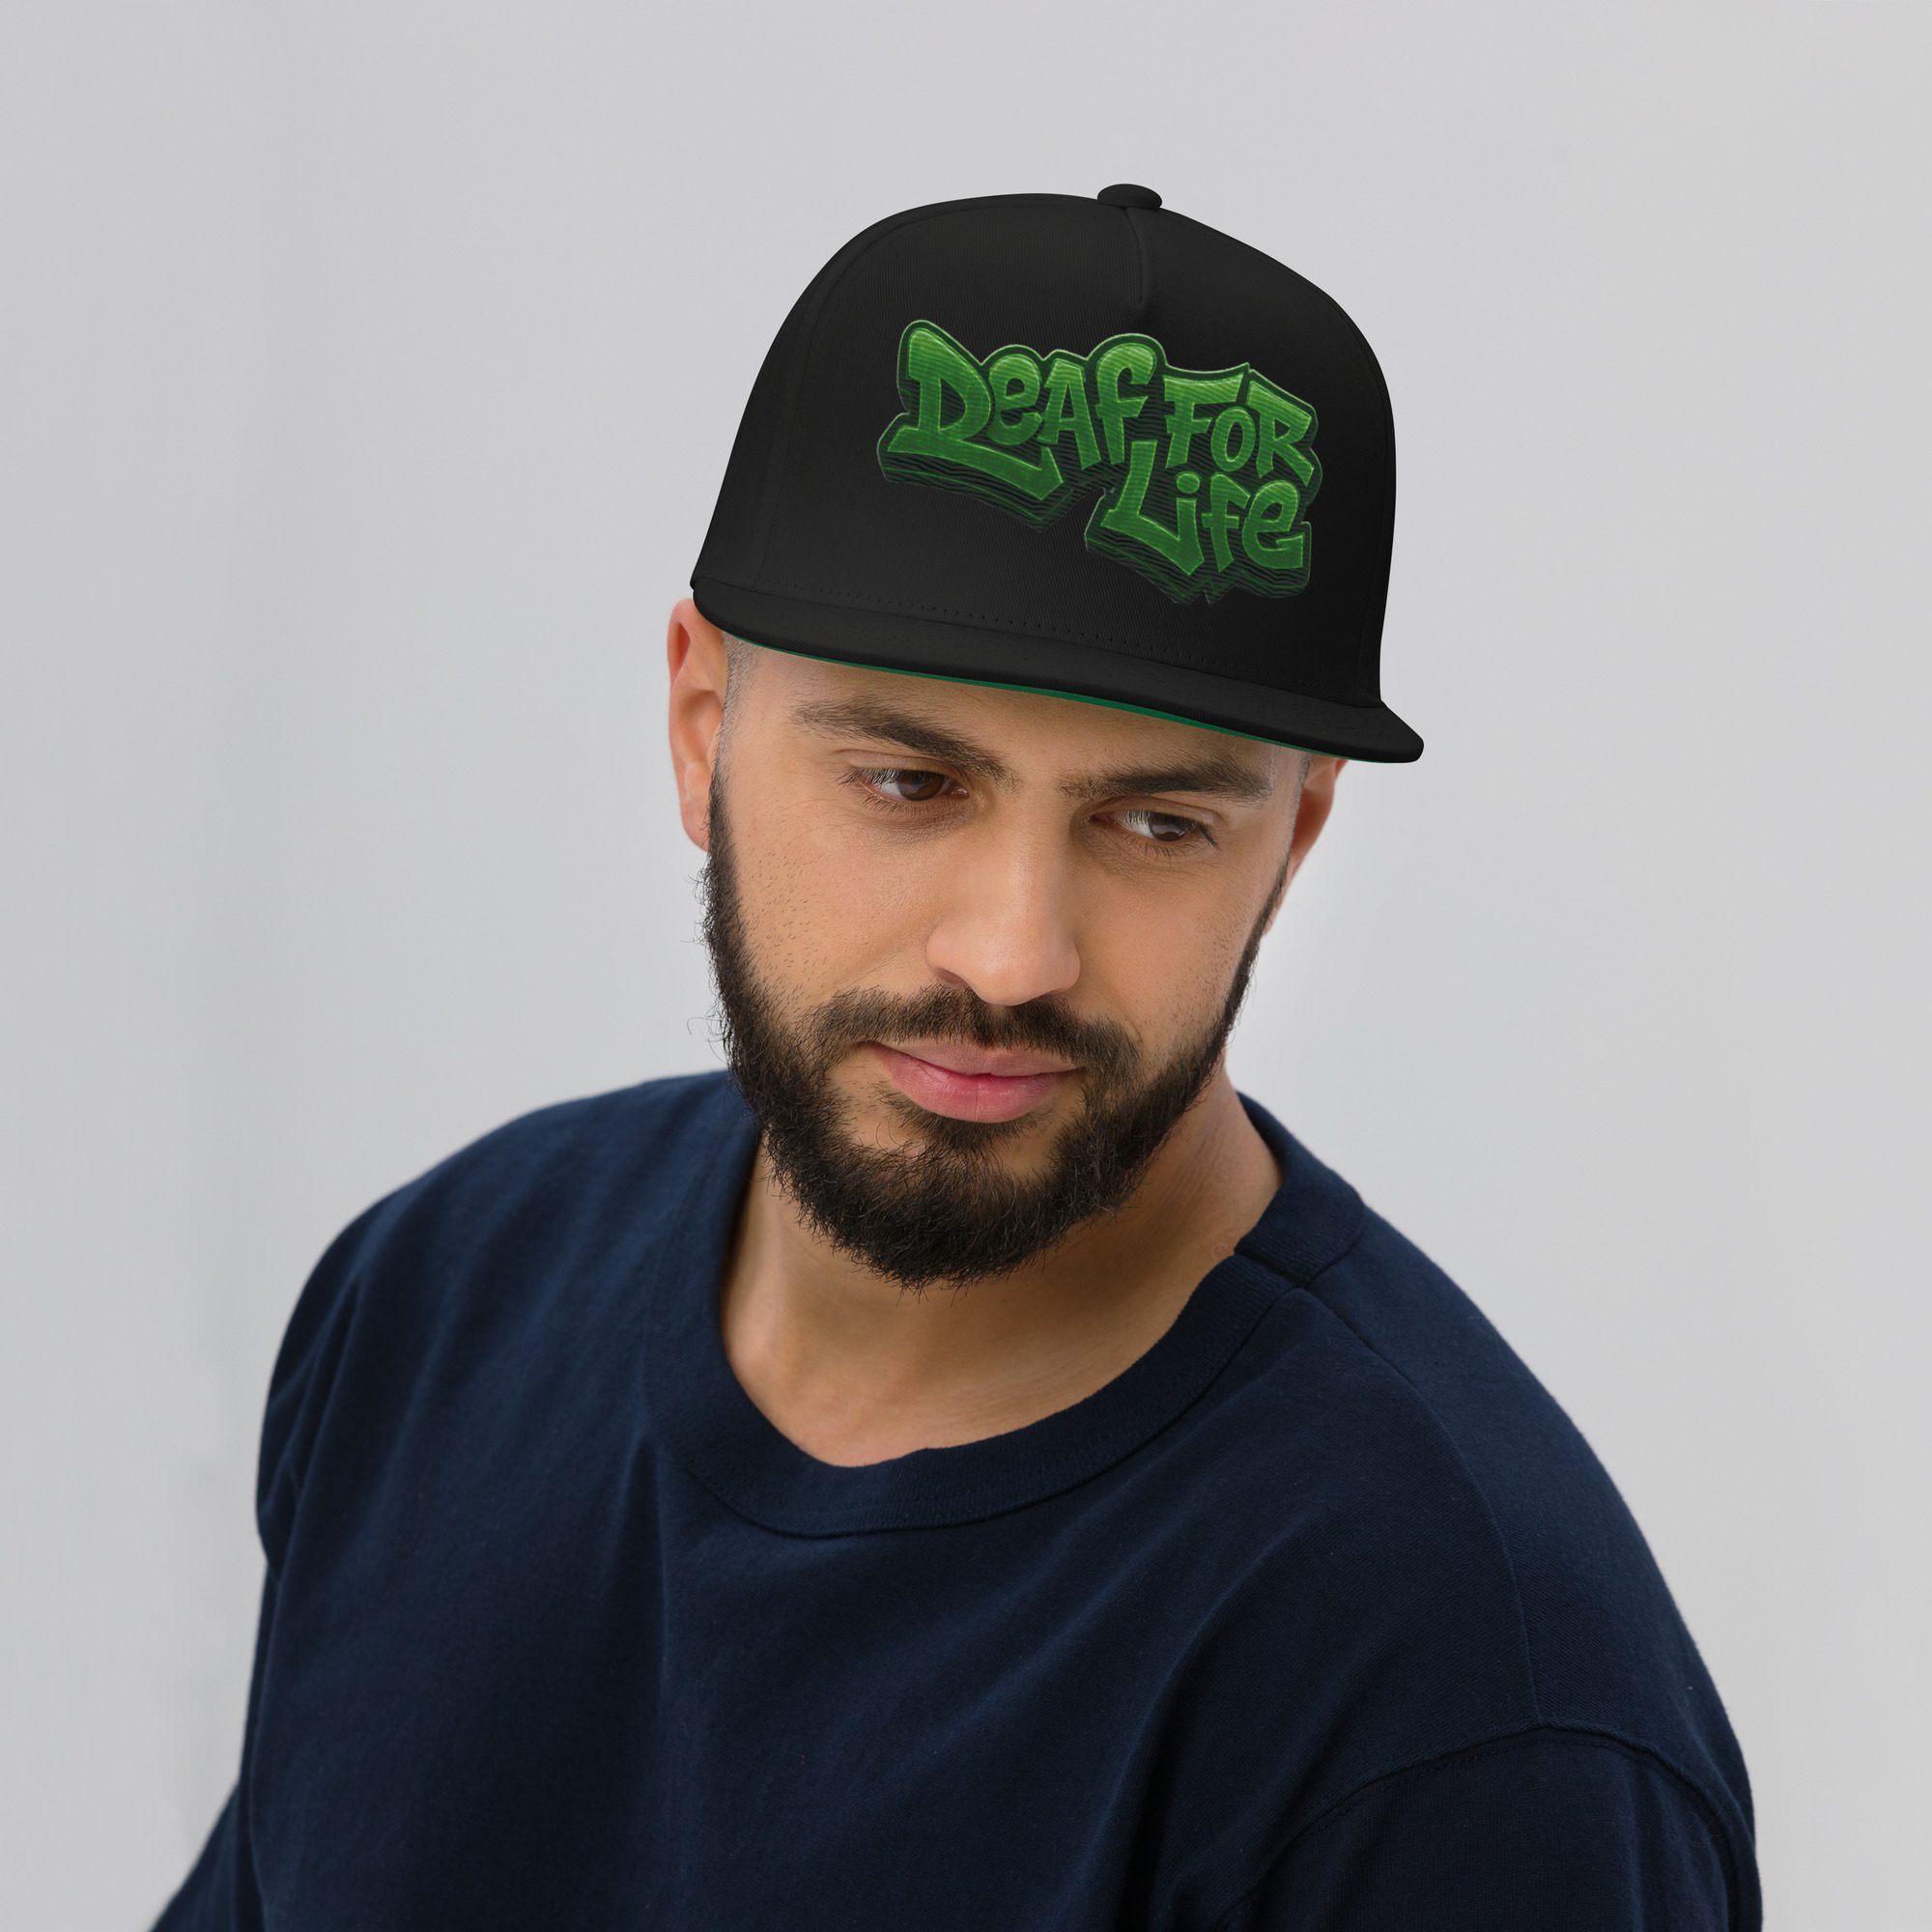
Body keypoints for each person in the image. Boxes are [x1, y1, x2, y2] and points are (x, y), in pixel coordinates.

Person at [151, 186, 1760, 1930]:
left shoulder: (1465, 1715)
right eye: (910, 784)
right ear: (702, 728)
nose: (1012, 954)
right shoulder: (437, 1307)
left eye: (1156, 823)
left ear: (1292, 839)